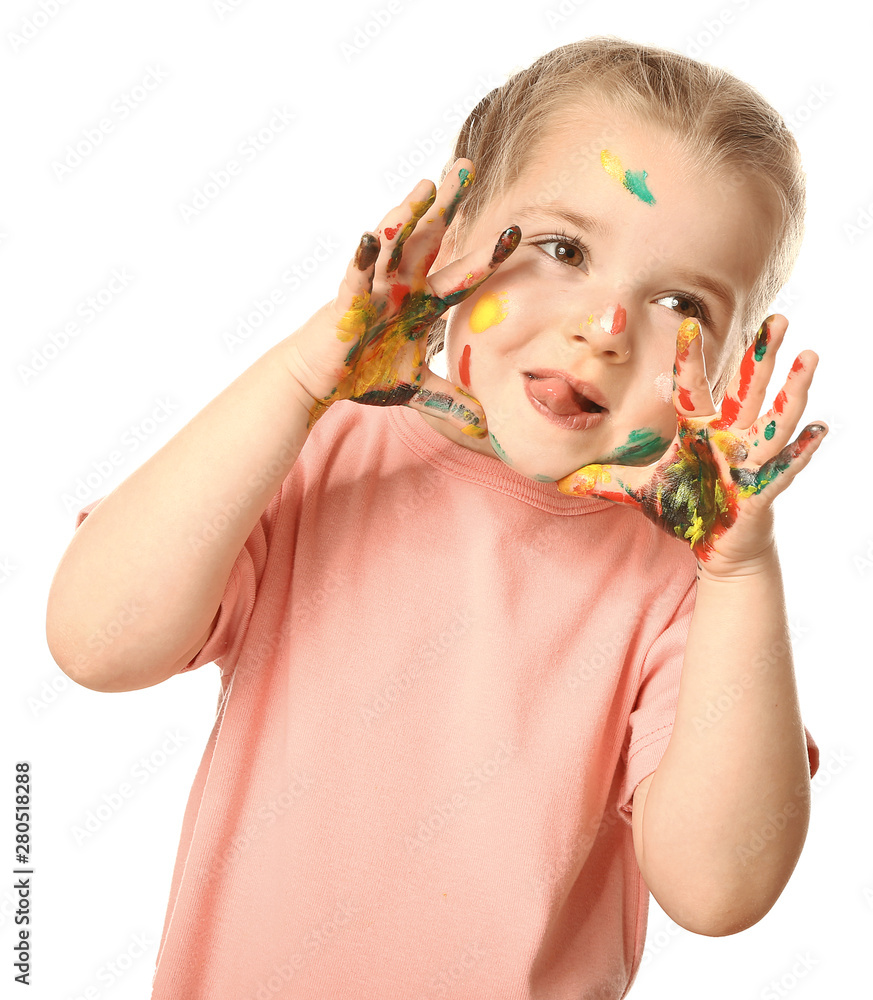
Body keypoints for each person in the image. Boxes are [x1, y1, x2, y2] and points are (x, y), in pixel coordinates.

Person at [46, 36, 827, 999]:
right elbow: (95, 643)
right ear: (452, 240)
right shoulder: (316, 453)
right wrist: (300, 379)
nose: (605, 327)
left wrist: (740, 571)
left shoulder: (685, 586)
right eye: (562, 248)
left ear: (733, 364)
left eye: (680, 303)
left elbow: (720, 891)